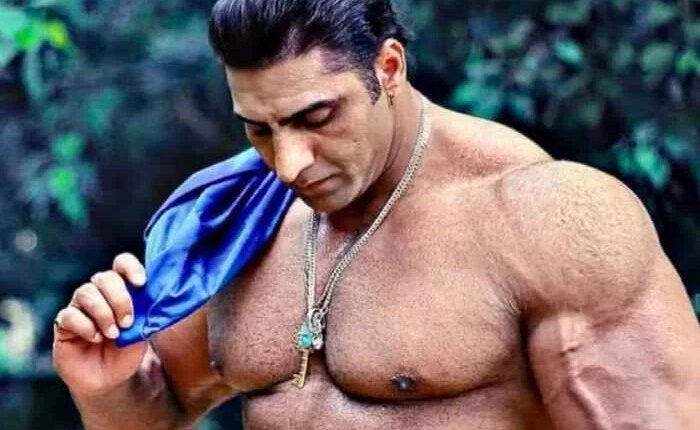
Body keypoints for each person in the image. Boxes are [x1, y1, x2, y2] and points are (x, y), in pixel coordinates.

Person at [52, 1, 700, 429]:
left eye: (316, 117)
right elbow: (162, 409)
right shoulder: (241, 218)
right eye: (259, 129)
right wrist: (106, 386)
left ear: (388, 68)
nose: (288, 164)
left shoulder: (546, 221)